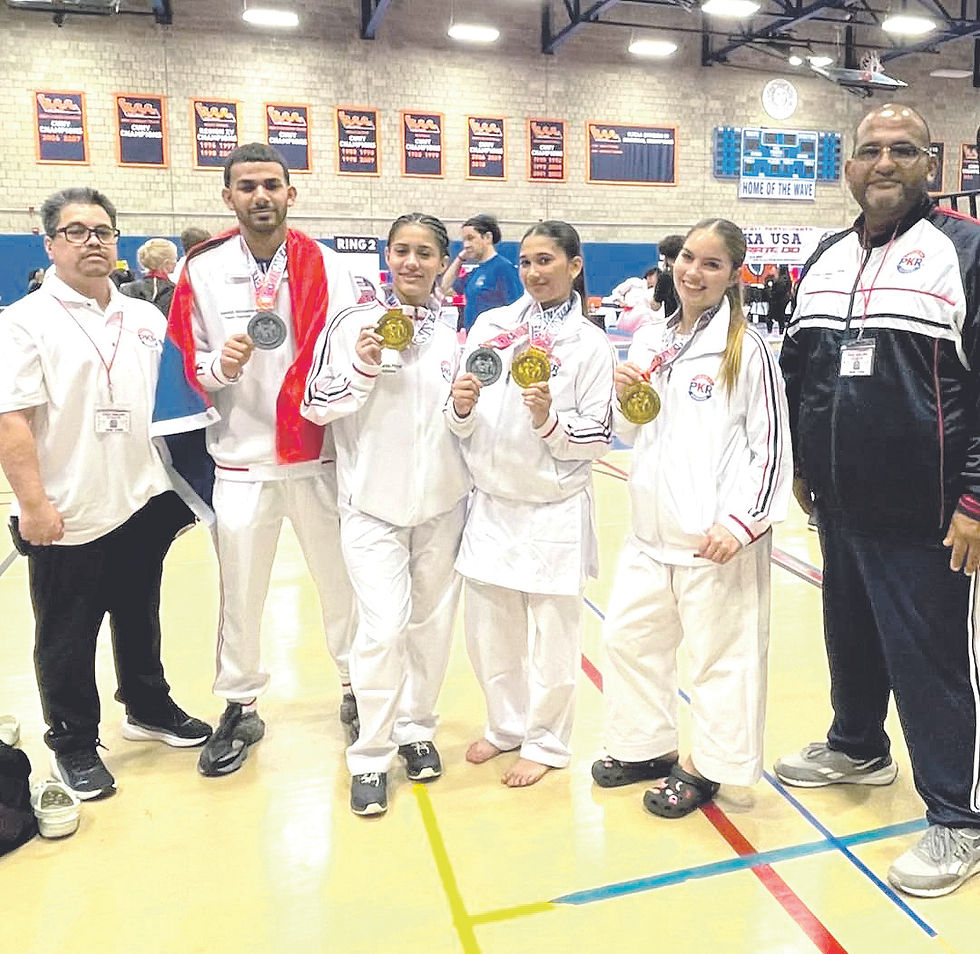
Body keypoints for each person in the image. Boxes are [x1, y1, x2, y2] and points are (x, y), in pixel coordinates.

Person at [775, 103, 980, 898]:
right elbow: (805, 371)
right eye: (870, 151)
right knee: (850, 639)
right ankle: (857, 744)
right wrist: (803, 463)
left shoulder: (964, 251)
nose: (884, 163)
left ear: (931, 162)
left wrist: (974, 498)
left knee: (931, 666)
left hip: (930, 516)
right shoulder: (825, 254)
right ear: (848, 167)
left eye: (903, 150)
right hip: (840, 503)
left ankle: (958, 819)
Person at [0, 187, 212, 800]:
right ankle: (71, 741)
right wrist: (34, 504)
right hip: (67, 510)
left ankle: (147, 706)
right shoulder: (24, 322)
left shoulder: (145, 317)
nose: (92, 241)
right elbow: (11, 421)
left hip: (141, 500)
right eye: (76, 231)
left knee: (139, 616)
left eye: (103, 230)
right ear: (50, 244)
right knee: (66, 635)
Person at [158, 143, 362, 778]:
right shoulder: (202, 268)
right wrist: (220, 366)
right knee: (239, 594)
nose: (260, 196)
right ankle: (240, 703)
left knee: (342, 586)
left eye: (271, 184)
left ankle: (357, 688)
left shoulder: (330, 265)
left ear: (290, 194)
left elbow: (356, 351)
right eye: (246, 186)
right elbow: (183, 361)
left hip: (318, 455)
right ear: (228, 198)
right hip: (241, 459)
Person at [592, 219, 791, 817]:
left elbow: (772, 444)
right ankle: (646, 745)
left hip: (714, 539)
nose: (692, 272)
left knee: (719, 659)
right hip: (650, 533)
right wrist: (620, 392)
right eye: (686, 259)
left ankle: (707, 766)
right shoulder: (651, 338)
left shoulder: (745, 345)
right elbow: (629, 431)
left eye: (710, 264)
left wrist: (743, 522)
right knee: (627, 638)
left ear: (733, 275)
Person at [302, 213, 470, 816]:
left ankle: (416, 728)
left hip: (442, 507)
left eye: (426, 253)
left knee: (430, 626)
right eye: (402, 250)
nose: (413, 263)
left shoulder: (456, 333)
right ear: (387, 256)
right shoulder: (353, 323)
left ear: (442, 261)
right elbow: (316, 406)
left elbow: (463, 423)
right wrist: (363, 368)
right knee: (380, 629)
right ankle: (370, 754)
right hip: (371, 508)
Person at [448, 220, 615, 788]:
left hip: (554, 508)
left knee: (554, 640)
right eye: (525, 262)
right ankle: (506, 725)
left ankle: (546, 741)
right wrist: (461, 407)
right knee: (490, 632)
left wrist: (549, 422)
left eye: (547, 261)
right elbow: (458, 419)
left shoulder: (590, 345)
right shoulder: (492, 326)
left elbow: (598, 433)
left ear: (573, 266)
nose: (534, 272)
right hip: (492, 503)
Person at [439, 213, 523, 333]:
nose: (466, 245)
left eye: (470, 238)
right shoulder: (475, 272)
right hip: (472, 340)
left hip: (492, 342)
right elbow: (445, 287)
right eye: (464, 240)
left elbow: (518, 310)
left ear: (487, 237)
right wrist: (459, 258)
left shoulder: (504, 269)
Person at [121, 238, 178, 316]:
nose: (176, 262)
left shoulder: (126, 289)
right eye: (175, 258)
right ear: (167, 263)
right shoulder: (176, 292)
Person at [652, 234, 684, 317]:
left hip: (674, 322)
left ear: (665, 258)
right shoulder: (692, 274)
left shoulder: (665, 277)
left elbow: (655, 306)